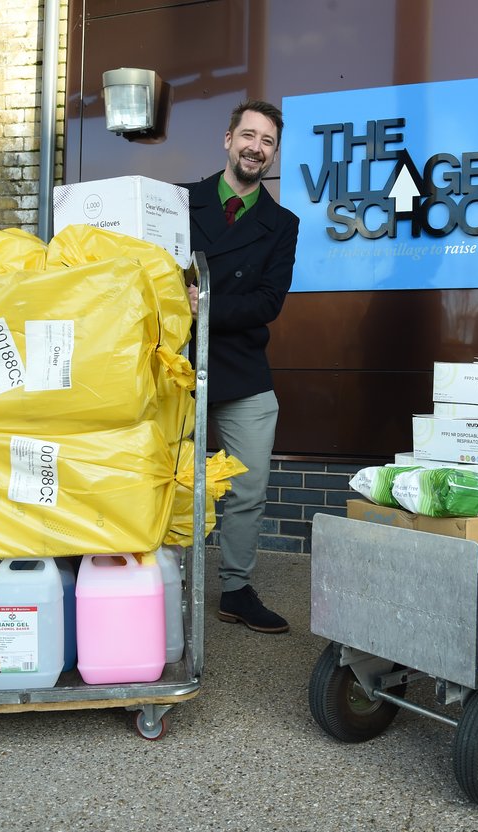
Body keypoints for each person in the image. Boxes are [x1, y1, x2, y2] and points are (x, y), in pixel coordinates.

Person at [184, 100, 299, 634]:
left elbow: (269, 301)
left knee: (248, 486)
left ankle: (235, 589)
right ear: (227, 139)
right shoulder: (179, 202)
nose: (256, 147)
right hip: (173, 365)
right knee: (164, 477)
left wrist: (203, 302)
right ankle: (156, 571)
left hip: (241, 365)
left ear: (274, 153)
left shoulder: (281, 224)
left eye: (268, 141)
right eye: (248, 135)